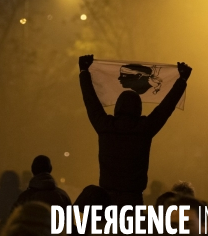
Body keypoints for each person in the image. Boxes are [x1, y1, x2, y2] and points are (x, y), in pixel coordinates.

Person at [79, 54, 192, 207]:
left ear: (118, 106)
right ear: (138, 109)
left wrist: (84, 72)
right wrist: (182, 80)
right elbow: (166, 107)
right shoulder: (144, 128)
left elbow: (90, 101)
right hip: (133, 199)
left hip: (105, 197)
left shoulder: (105, 126)